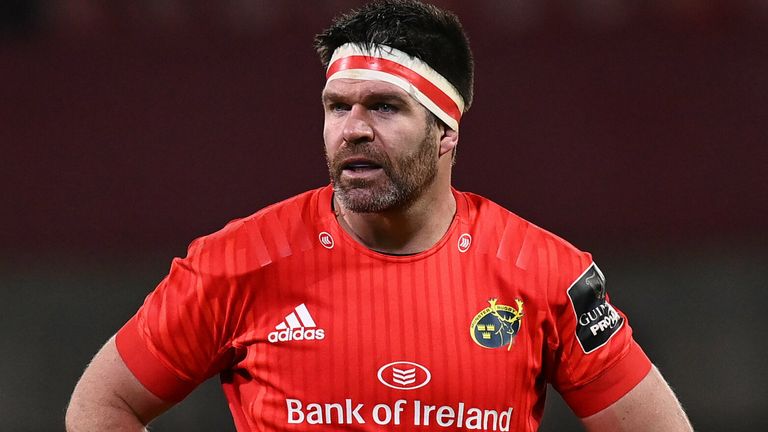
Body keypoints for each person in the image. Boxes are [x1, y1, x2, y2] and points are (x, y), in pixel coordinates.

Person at [66, 1, 693, 431]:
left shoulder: (546, 273)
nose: (353, 129)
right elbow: (103, 405)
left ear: (446, 132)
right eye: (337, 106)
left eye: (385, 107)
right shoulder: (236, 263)